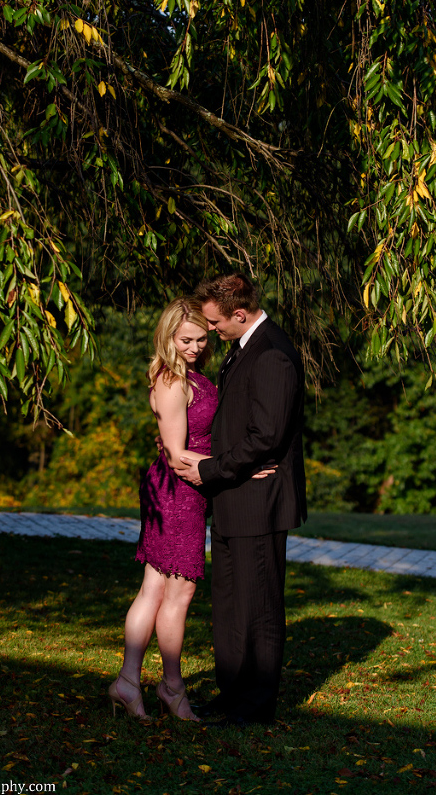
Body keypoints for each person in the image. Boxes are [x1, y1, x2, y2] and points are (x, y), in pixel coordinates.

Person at [177, 273, 307, 726]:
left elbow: (265, 436)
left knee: (259, 606)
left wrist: (209, 469)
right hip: (235, 495)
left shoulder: (272, 354)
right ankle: (231, 695)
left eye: (215, 323)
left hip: (260, 499)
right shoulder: (243, 347)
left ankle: (255, 706)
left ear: (239, 313)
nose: (211, 331)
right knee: (231, 605)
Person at [108, 297, 216, 723]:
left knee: (155, 589)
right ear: (168, 336)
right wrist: (234, 473)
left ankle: (129, 683)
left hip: (186, 490)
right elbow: (175, 455)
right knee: (177, 592)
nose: (194, 347)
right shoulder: (172, 381)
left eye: (201, 339)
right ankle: (171, 687)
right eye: (186, 339)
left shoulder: (194, 376)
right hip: (177, 491)